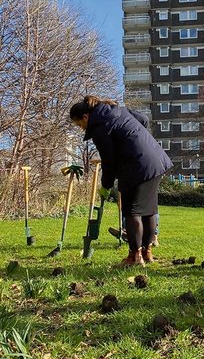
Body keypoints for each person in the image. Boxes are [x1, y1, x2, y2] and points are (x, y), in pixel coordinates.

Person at [70, 95, 172, 267]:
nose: (82, 129)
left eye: (80, 125)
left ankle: (134, 258)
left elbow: (109, 162)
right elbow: (144, 120)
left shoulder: (99, 127)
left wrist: (106, 186)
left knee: (131, 212)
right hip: (155, 160)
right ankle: (147, 253)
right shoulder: (118, 110)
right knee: (148, 210)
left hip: (136, 165)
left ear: (86, 117)